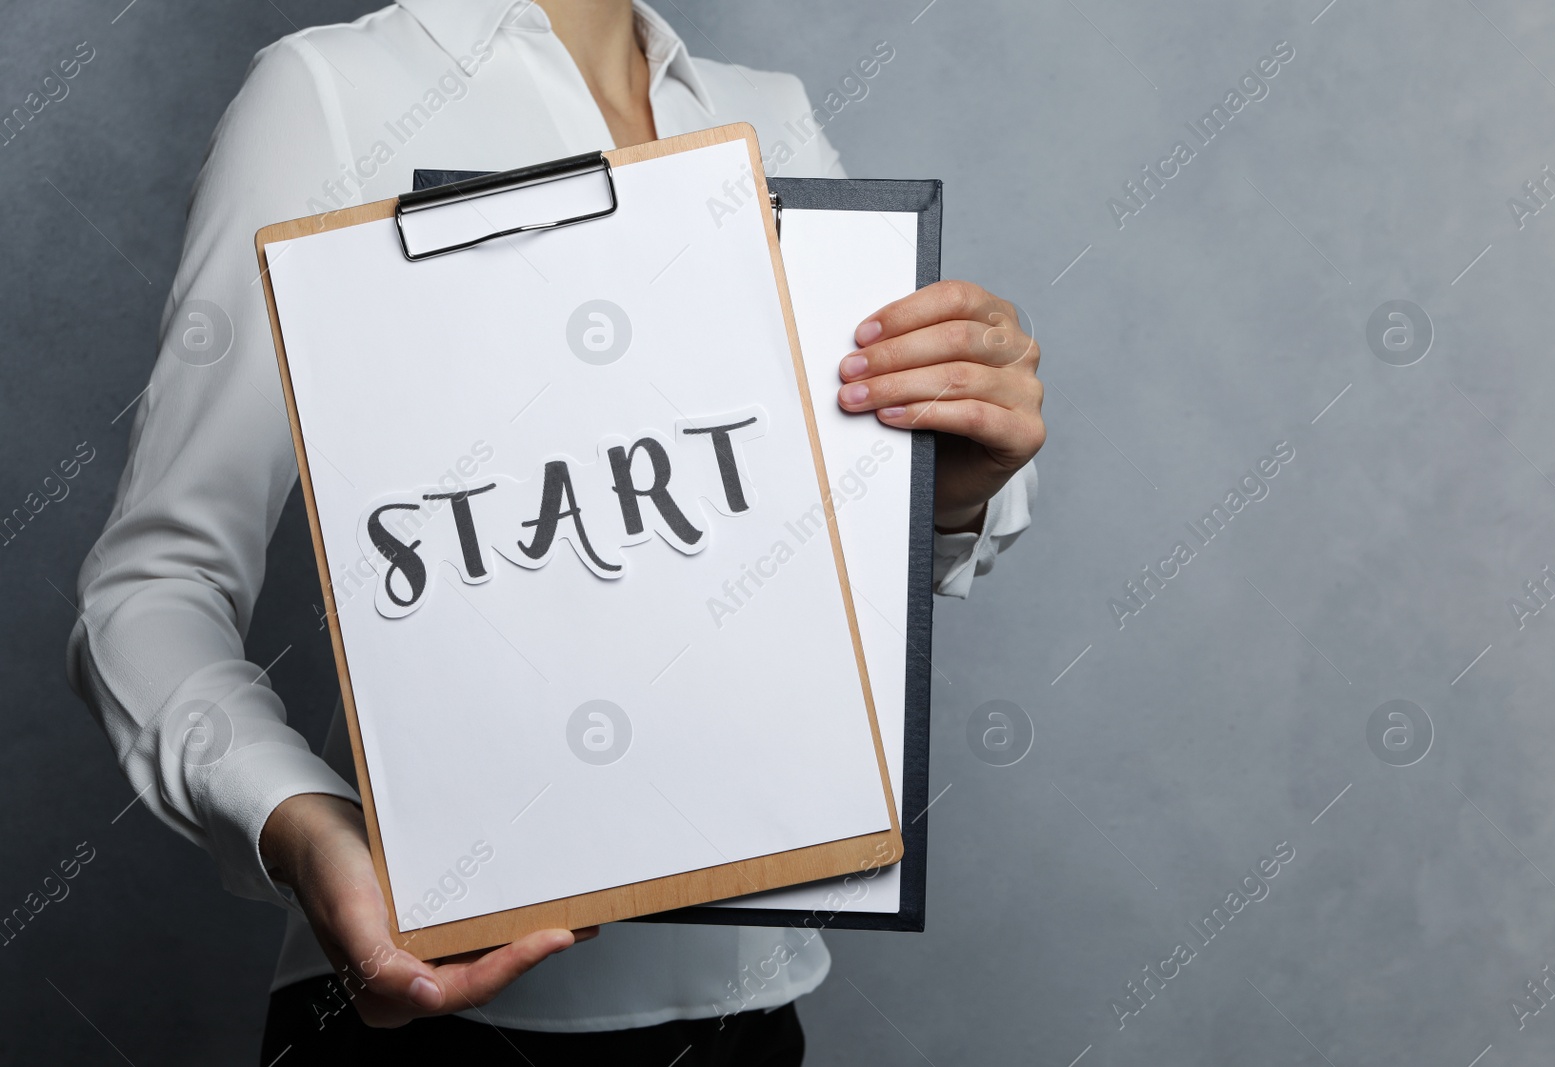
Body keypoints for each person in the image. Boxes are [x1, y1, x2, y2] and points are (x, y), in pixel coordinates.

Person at [67, 2, 1043, 1063]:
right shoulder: (330, 94)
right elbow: (153, 584)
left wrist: (957, 478)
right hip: (424, 1024)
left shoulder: (772, 115)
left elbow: (824, 548)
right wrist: (305, 826)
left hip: (749, 1020)